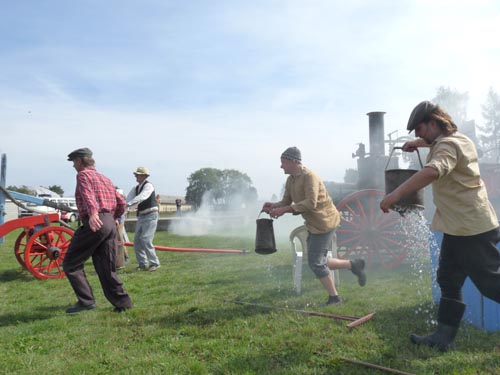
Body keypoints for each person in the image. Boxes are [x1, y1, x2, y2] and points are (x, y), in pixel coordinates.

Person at [380, 101, 500, 352]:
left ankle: (443, 336)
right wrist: (420, 144)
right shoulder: (460, 139)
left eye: (420, 129)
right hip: (459, 226)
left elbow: (433, 171)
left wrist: (396, 194)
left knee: (491, 285)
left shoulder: (447, 145)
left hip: (471, 229)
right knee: (448, 279)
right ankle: (443, 337)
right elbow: (440, 145)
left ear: (434, 122)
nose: (417, 134)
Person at [262, 146, 366, 306]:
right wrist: (274, 206)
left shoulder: (310, 177)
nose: (281, 166)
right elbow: (286, 202)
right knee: (319, 259)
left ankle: (335, 298)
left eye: (283, 162)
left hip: (325, 222)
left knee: (316, 262)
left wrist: (284, 210)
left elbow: (311, 203)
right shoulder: (291, 180)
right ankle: (354, 265)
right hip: (314, 224)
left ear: (293, 162)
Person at [63, 147, 133, 313]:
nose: (73, 165)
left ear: (80, 161)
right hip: (108, 222)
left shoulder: (83, 175)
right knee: (106, 268)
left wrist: (94, 213)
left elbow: (88, 195)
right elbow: (122, 202)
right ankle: (123, 303)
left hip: (95, 222)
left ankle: (86, 301)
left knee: (71, 263)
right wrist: (114, 218)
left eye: (74, 162)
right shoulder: (105, 178)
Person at [126, 166, 160, 271]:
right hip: (142, 215)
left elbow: (142, 197)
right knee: (137, 241)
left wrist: (129, 204)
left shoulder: (148, 186)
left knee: (145, 239)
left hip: (151, 215)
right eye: (136, 174)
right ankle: (142, 264)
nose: (136, 176)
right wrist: (123, 206)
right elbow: (128, 199)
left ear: (144, 176)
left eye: (138, 174)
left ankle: (154, 263)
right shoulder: (135, 188)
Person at [115, 188, 130, 269]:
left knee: (120, 239)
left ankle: (125, 257)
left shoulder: (121, 202)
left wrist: (116, 219)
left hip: (119, 220)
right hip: (117, 219)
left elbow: (121, 212)